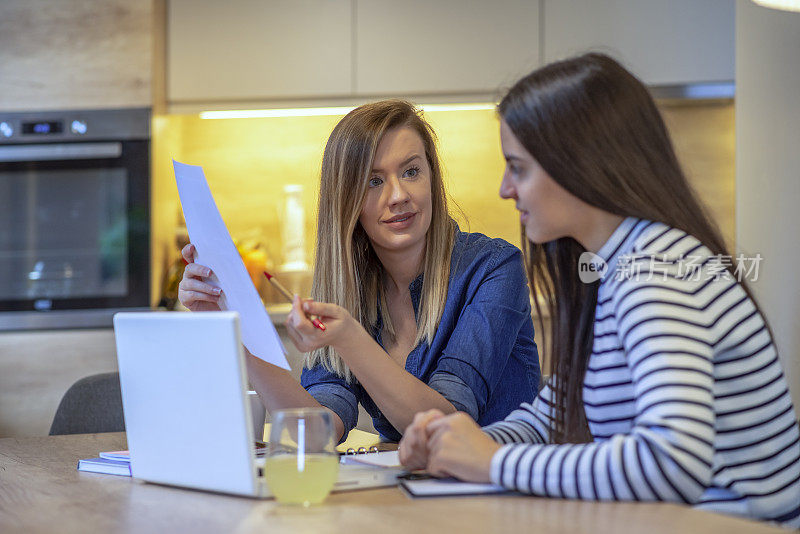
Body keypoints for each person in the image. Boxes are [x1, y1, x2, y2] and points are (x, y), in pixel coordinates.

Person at [399, 54, 800, 528]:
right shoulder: (609, 266)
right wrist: (453, 440)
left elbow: (670, 464)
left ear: (579, 167)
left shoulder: (655, 268)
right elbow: (555, 415)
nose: (506, 189)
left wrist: (488, 461)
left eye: (518, 168)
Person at [178, 99, 541, 443]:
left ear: (432, 178)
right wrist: (232, 328)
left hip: (504, 497)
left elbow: (444, 426)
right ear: (346, 200)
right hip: (411, 501)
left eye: (411, 171)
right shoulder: (350, 290)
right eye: (374, 181)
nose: (398, 195)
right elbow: (315, 434)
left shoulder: (493, 268)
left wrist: (350, 339)